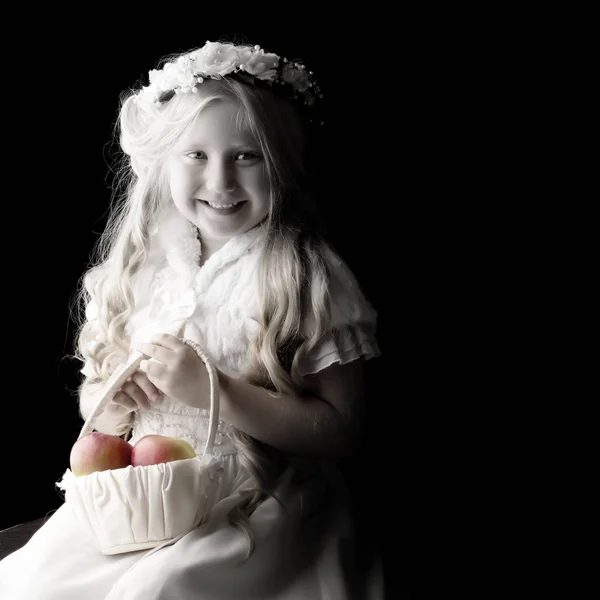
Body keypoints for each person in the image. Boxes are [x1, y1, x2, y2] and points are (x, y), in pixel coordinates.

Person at [0, 39, 383, 599]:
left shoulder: (304, 274)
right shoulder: (143, 265)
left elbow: (342, 431)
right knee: (30, 582)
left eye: (247, 156)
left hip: (251, 503)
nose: (221, 181)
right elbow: (95, 405)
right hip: (143, 499)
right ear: (164, 161)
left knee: (157, 590)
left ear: (284, 160)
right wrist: (113, 405)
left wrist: (213, 390)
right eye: (197, 156)